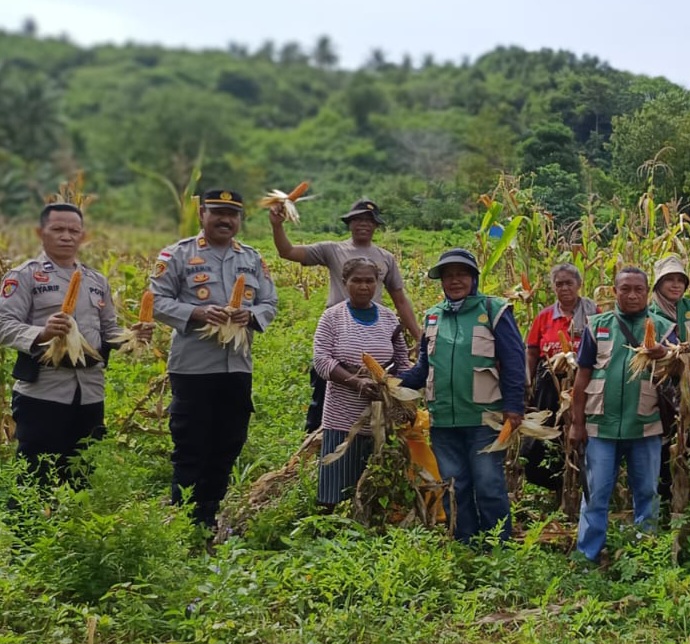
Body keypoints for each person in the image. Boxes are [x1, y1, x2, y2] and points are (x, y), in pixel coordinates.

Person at [150, 189, 279, 530]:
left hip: (236, 366)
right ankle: (184, 521)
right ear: (202, 215)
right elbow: (157, 301)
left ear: (240, 220)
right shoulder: (179, 254)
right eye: (218, 212)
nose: (225, 219)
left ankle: (208, 516)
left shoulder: (251, 258)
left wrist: (249, 317)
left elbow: (269, 303)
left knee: (228, 442)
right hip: (193, 367)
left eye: (232, 214)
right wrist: (197, 312)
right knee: (191, 444)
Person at [0, 202, 148, 486]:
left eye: (73, 230)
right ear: (40, 232)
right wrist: (42, 333)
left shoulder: (96, 281)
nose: (66, 236)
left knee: (82, 475)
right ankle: (30, 529)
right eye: (58, 229)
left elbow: (108, 330)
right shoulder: (24, 276)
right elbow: (4, 325)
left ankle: (74, 529)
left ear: (83, 236)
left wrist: (132, 336)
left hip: (90, 394)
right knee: (37, 476)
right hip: (43, 394)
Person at [399, 248, 525, 544]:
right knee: (454, 485)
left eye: (461, 274)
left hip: (486, 418)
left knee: (488, 483)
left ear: (473, 278)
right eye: (448, 275)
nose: (455, 281)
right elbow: (423, 368)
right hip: (443, 420)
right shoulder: (432, 317)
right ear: (441, 281)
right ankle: (464, 543)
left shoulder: (494, 310)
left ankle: (497, 546)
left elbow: (514, 361)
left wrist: (514, 406)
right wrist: (391, 383)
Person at [270, 198, 422, 433]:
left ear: (376, 226)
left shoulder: (385, 258)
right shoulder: (332, 249)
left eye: (369, 220)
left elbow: (399, 299)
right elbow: (287, 251)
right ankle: (316, 444)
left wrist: (419, 336)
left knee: (374, 399)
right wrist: (277, 225)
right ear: (349, 223)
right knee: (323, 396)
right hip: (339, 333)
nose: (363, 224)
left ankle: (368, 448)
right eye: (358, 219)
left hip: (375, 332)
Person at [568, 267, 674, 562]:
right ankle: (587, 556)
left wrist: (665, 355)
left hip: (645, 426)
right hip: (601, 426)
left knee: (647, 494)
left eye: (639, 289)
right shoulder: (597, 325)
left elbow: (683, 372)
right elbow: (581, 379)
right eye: (625, 289)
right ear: (614, 291)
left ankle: (643, 555)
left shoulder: (664, 328)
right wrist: (577, 424)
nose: (632, 295)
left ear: (647, 292)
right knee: (596, 495)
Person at [312, 258, 412, 507]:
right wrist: (354, 382)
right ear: (345, 282)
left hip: (381, 413)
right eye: (357, 280)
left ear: (378, 284)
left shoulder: (389, 319)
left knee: (375, 482)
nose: (364, 286)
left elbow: (402, 360)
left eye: (370, 281)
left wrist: (401, 393)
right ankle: (332, 524)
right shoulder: (332, 317)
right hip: (342, 414)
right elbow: (321, 359)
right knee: (337, 483)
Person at [647, 254, 690, 514]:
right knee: (665, 445)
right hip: (661, 390)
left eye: (680, 280)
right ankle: (664, 503)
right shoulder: (648, 312)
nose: (675, 285)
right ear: (658, 284)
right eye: (669, 280)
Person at [523, 263, 596, 491]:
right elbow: (532, 352)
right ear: (553, 287)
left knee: (582, 432)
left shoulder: (594, 314)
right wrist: (527, 384)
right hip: (550, 384)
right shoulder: (545, 317)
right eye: (559, 284)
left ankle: (583, 485)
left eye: (569, 283)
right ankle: (556, 485)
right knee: (550, 434)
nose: (564, 288)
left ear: (579, 285)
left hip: (585, 385)